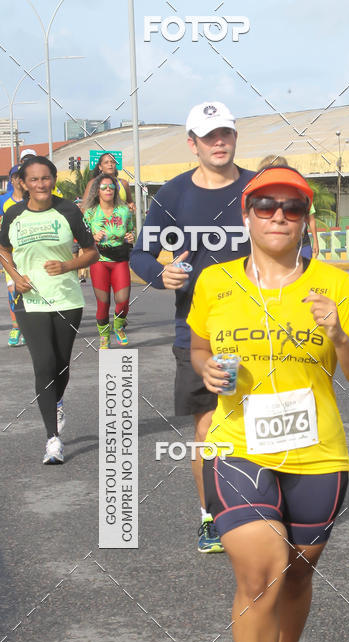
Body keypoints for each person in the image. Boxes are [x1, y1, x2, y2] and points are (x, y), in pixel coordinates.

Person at [187, 166, 349, 642]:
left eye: (289, 208)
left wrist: (341, 336)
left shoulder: (334, 284)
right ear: (246, 215)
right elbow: (198, 345)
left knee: (297, 573)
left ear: (305, 219)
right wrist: (206, 369)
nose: (276, 216)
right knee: (261, 571)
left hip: (317, 451)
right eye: (265, 205)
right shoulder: (215, 282)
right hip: (237, 443)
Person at [130, 101, 255, 553]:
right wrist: (160, 275)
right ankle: (211, 517)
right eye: (209, 136)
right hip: (199, 333)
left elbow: (293, 242)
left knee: (264, 425)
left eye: (225, 133)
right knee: (209, 430)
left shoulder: (257, 188)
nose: (218, 142)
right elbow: (140, 254)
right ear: (193, 144)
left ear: (235, 137)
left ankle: (266, 506)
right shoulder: (174, 195)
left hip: (264, 330)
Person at [0, 155, 98, 464]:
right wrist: (16, 277)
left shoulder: (68, 210)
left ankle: (55, 401)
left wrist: (68, 265)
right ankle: (52, 440)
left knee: (61, 364)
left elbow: (92, 252)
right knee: (43, 364)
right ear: (23, 183)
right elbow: (2, 249)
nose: (41, 184)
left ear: (53, 180)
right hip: (28, 300)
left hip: (66, 298)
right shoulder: (14, 214)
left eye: (46, 178)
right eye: (34, 179)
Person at [83, 173, 135, 348]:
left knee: (123, 299)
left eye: (111, 187)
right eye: (104, 187)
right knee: (103, 302)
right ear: (97, 191)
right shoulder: (90, 213)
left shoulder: (125, 211)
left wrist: (130, 237)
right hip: (99, 261)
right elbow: (82, 239)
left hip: (120, 259)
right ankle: (104, 336)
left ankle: (119, 327)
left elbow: (130, 231)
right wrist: (92, 237)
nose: (108, 190)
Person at [258, 156, 319, 260]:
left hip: (302, 243)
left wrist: (316, 242)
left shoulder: (302, 195)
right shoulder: (256, 198)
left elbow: (311, 220)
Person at [1, 165, 26, 346]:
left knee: (27, 290)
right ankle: (16, 327)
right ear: (11, 180)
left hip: (28, 254)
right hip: (9, 253)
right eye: (15, 176)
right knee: (13, 291)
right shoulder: (3, 200)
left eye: (21, 176)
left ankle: (27, 327)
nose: (18, 179)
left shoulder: (32, 199)